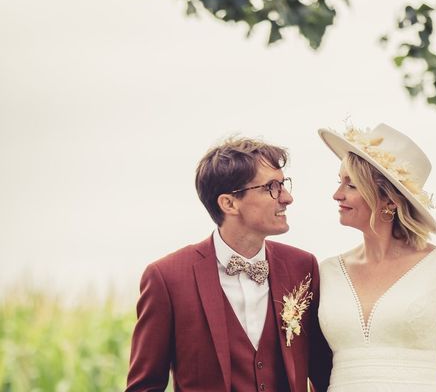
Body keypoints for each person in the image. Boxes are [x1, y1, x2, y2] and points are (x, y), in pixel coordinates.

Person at [125, 137, 332, 392]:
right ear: (229, 203)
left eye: (283, 184)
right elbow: (144, 386)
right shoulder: (167, 278)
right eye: (272, 187)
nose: (287, 197)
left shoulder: (302, 267)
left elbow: (324, 375)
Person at [316, 123, 436, 392]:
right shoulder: (327, 272)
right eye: (339, 181)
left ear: (389, 201)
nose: (337, 194)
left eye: (351, 185)